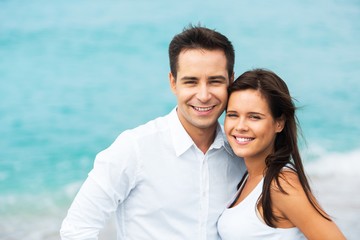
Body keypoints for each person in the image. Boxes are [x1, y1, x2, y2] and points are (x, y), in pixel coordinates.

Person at [60, 25, 246, 240]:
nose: (203, 95)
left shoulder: (240, 153)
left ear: (230, 82)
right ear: (173, 83)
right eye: (191, 82)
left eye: (215, 81)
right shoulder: (135, 148)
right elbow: (77, 228)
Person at [217, 68, 346, 239]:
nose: (240, 126)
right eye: (233, 115)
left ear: (279, 123)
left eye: (254, 117)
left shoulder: (281, 184)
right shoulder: (248, 178)